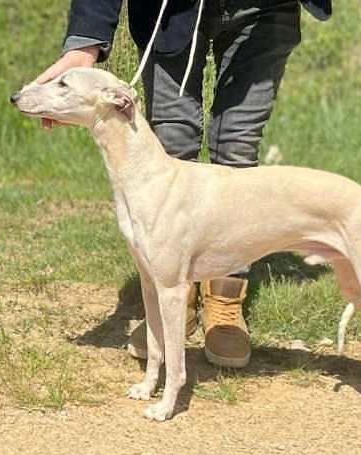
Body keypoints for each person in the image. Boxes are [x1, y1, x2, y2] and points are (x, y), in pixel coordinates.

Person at [37, 0, 332, 368]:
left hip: (265, 9)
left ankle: (224, 299)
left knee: (238, 148)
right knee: (172, 143)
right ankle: (176, 298)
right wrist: (86, 41)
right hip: (172, 11)